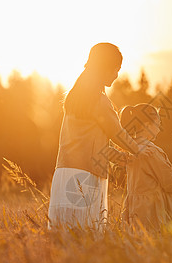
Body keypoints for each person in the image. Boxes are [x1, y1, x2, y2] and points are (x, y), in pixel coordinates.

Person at [49, 43, 144, 229]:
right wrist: (139, 149)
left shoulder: (75, 98)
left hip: (64, 171)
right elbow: (117, 133)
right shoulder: (99, 100)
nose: (116, 75)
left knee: (64, 234)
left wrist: (117, 156)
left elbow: (85, 142)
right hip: (86, 174)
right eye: (115, 69)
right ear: (105, 68)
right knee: (87, 233)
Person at [120, 103, 172, 230]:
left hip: (134, 211)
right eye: (157, 124)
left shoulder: (131, 149)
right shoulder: (152, 152)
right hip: (152, 215)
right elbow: (171, 182)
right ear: (147, 126)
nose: (159, 128)